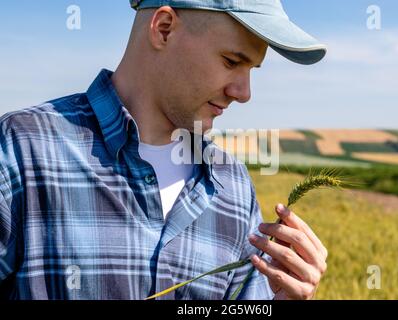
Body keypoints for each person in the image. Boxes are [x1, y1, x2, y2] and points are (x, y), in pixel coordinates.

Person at [0, 0, 328, 300]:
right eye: (231, 61)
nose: (243, 93)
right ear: (164, 29)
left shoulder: (234, 187)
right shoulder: (22, 149)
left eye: (251, 69)